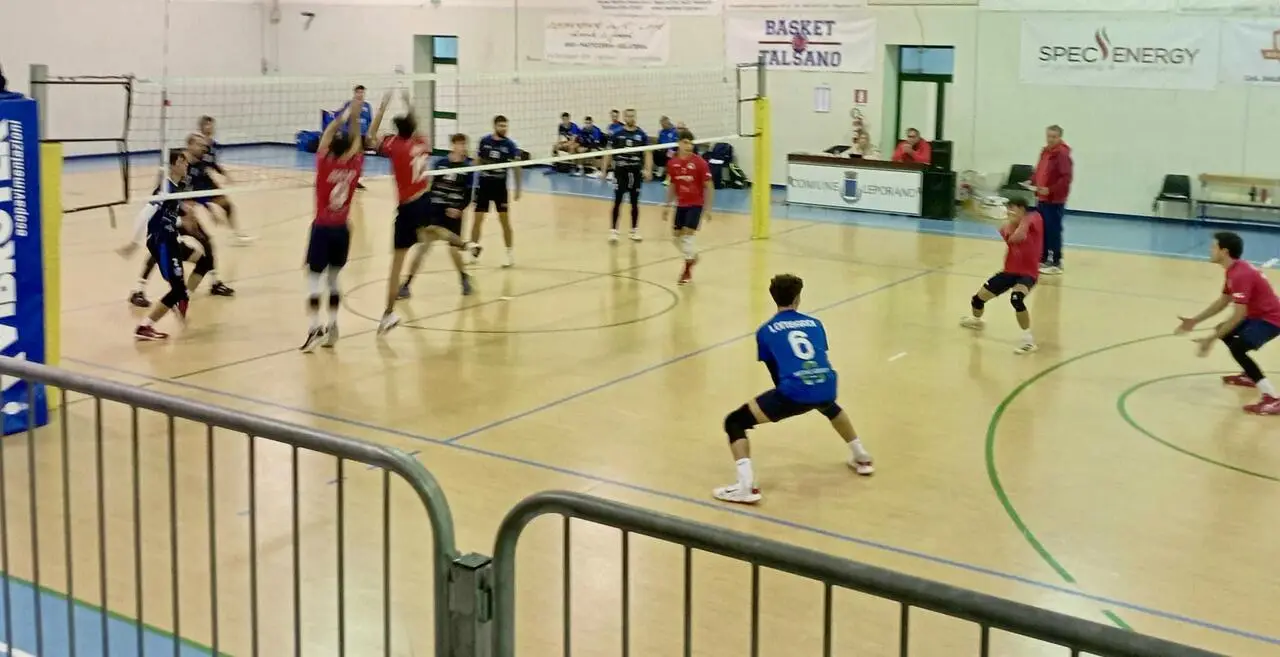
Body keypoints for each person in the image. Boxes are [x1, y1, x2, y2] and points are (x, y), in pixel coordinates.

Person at [713, 273, 875, 505]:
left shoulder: (766, 331)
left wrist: (786, 402)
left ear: (773, 297)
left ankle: (745, 487)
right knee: (827, 405)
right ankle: (861, 457)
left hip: (795, 390)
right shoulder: (815, 323)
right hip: (827, 383)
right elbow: (819, 356)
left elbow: (776, 372)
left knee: (735, 421)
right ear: (798, 298)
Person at [367, 89, 480, 334]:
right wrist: (409, 103)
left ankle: (388, 314)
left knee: (396, 265)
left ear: (397, 130)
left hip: (407, 207)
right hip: (425, 199)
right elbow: (416, 124)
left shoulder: (395, 146)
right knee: (433, 231)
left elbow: (370, 137)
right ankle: (466, 245)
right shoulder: (421, 142)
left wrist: (382, 107)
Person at [1175, 232, 1280, 415]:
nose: (1210, 250)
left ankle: (1272, 398)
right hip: (1257, 316)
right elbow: (1223, 301)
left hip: (1272, 319)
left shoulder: (1240, 274)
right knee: (1223, 331)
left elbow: (1238, 315)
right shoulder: (1233, 270)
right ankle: (1250, 375)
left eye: (1213, 247)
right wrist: (1194, 320)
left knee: (1238, 348)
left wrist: (1211, 339)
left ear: (1224, 251)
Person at [128, 134, 234, 307]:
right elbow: (164, 196)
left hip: (186, 216)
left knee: (206, 242)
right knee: (158, 251)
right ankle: (139, 290)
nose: (203, 148)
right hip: (170, 217)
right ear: (189, 145)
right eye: (199, 145)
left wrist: (207, 210)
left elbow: (198, 194)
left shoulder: (198, 167)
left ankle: (214, 283)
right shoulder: (172, 169)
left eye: (204, 145)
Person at [299, 96, 364, 352]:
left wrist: (342, 117)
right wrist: (356, 117)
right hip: (342, 229)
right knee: (334, 279)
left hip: (323, 228)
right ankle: (334, 326)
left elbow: (326, 135)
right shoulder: (355, 166)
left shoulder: (325, 163)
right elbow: (358, 143)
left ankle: (315, 327)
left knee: (313, 279)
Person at [123, 151, 201, 341]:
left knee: (180, 286)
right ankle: (145, 326)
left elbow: (167, 218)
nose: (186, 165)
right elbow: (145, 214)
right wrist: (134, 242)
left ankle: (163, 312)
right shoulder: (165, 188)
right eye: (182, 162)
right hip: (162, 241)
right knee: (178, 289)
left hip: (170, 239)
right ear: (173, 165)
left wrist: (182, 223)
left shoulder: (177, 188)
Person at [959, 197, 1044, 355]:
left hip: (1028, 273)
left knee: (1016, 299)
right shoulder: (1007, 227)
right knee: (977, 300)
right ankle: (977, 320)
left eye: (1013, 208)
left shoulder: (1034, 218)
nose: (1010, 211)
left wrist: (1015, 223)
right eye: (1008, 208)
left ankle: (1028, 341)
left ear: (1022, 209)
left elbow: (1021, 234)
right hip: (1009, 271)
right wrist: (1005, 223)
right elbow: (1013, 238)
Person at [399, 134, 477, 299]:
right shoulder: (441, 163)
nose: (462, 147)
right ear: (453, 145)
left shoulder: (467, 168)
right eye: (459, 144)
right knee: (423, 248)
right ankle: (406, 285)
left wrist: (459, 209)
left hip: (454, 212)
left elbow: (469, 195)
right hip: (436, 210)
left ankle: (464, 278)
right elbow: (431, 186)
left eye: (464, 144)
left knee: (453, 251)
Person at [662, 130, 712, 285]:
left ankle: (687, 271)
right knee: (676, 238)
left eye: (691, 143)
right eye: (685, 142)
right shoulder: (673, 163)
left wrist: (708, 209)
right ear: (679, 144)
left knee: (687, 237)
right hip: (681, 204)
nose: (689, 146)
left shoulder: (700, 163)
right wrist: (667, 205)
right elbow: (672, 185)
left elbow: (709, 186)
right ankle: (692, 256)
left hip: (696, 204)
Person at [472, 115, 522, 268]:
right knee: (477, 220)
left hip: (500, 187)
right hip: (484, 185)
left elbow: (516, 167)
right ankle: (473, 252)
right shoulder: (484, 141)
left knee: (505, 221)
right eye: (501, 126)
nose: (504, 129)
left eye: (505, 126)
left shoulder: (510, 145)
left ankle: (509, 254)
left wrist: (518, 188)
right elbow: (477, 161)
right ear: (494, 126)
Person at [194, 116, 253, 244]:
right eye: (207, 125)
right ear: (201, 127)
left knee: (228, 205)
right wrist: (209, 211)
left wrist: (224, 174)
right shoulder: (197, 144)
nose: (210, 127)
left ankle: (236, 235)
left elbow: (212, 163)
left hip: (206, 181)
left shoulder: (213, 144)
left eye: (212, 125)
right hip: (194, 183)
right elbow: (193, 165)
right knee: (187, 212)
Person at [601, 108, 652, 243]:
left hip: (635, 172)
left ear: (635, 117)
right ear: (624, 118)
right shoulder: (617, 133)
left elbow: (647, 153)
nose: (630, 118)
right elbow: (608, 152)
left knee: (634, 202)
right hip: (620, 171)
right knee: (618, 200)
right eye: (628, 116)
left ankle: (634, 230)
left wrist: (648, 170)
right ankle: (613, 231)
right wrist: (604, 170)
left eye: (632, 116)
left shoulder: (641, 134)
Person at [1030, 125, 1073, 276]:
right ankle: (1042, 258)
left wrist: (1051, 190)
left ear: (1060, 137)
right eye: (1049, 136)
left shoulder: (1062, 154)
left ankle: (1056, 261)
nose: (1051, 139)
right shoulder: (1045, 152)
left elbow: (1065, 178)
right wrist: (1032, 181)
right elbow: (1040, 170)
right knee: (1042, 228)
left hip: (1054, 200)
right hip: (1041, 198)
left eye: (1054, 137)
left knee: (1053, 230)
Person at [336, 85, 374, 189]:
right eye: (358, 92)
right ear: (355, 93)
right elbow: (343, 119)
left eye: (362, 92)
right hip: (350, 135)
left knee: (359, 158)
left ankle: (357, 180)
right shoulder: (349, 104)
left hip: (362, 136)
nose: (360, 94)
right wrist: (342, 132)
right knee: (348, 157)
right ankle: (343, 178)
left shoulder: (367, 106)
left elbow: (369, 121)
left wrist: (369, 134)